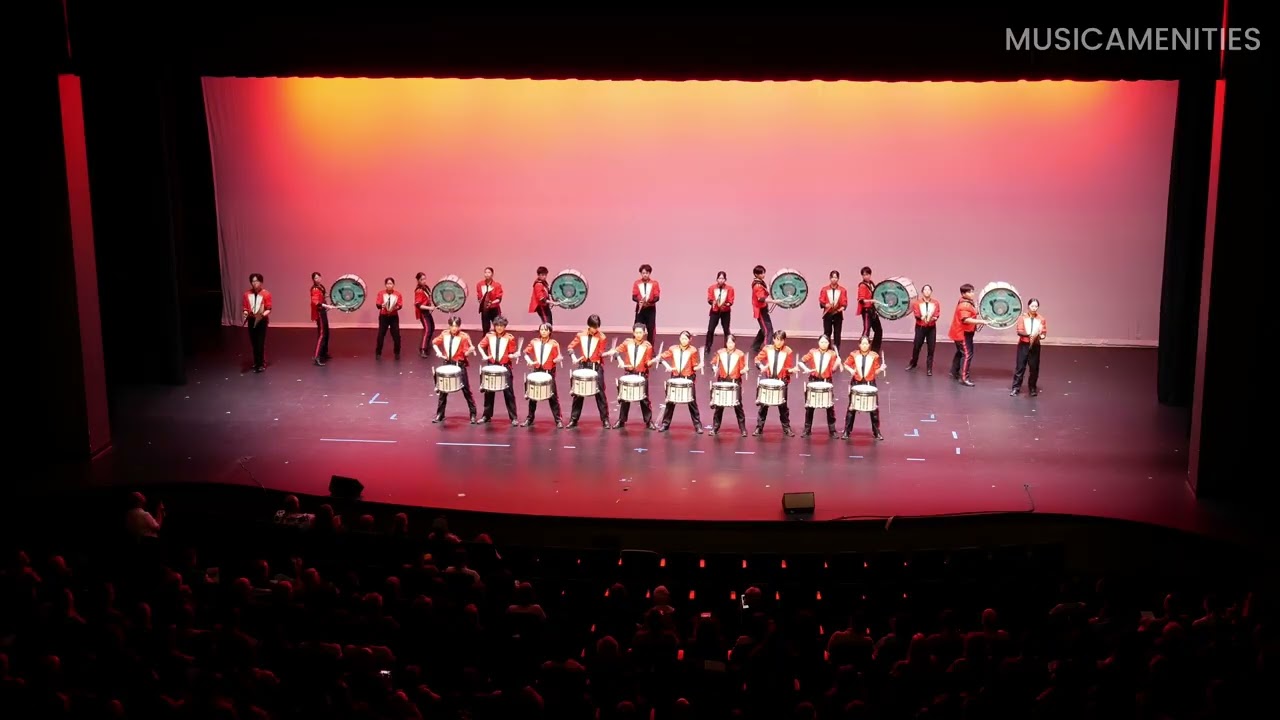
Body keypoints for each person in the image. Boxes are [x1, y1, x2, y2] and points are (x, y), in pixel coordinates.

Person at [606, 324, 656, 430]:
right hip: (629, 374)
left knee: (644, 399)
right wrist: (618, 358)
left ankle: (648, 421)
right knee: (625, 398)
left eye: (640, 333)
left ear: (644, 333)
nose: (638, 335)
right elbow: (617, 351)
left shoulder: (648, 346)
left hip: (641, 375)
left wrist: (651, 362)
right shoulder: (627, 342)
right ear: (633, 333)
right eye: (636, 332)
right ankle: (621, 420)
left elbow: (647, 363)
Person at [566, 314, 611, 429]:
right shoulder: (581, 335)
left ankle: (605, 419)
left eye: (596, 327)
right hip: (583, 365)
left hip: (596, 367)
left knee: (600, 393)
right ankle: (573, 419)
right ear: (589, 326)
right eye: (593, 327)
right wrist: (573, 358)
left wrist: (608, 353)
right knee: (578, 393)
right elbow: (570, 347)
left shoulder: (602, 337)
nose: (595, 329)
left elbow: (601, 353)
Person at [431, 317, 478, 424]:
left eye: (456, 326)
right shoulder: (444, 334)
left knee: (466, 390)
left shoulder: (464, 337)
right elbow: (434, 343)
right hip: (447, 363)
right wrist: (438, 352)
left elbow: (465, 354)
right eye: (452, 326)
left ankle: (473, 413)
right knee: (443, 390)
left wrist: (470, 351)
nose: (454, 328)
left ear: (459, 326)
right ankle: (440, 414)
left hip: (459, 365)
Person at [656, 331, 704, 434]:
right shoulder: (673, 349)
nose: (683, 340)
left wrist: (699, 367)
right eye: (682, 338)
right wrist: (667, 366)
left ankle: (697, 425)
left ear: (689, 339)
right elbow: (660, 357)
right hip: (675, 377)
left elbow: (694, 366)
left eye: (686, 339)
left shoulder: (693, 350)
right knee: (670, 401)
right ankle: (665, 424)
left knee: (692, 402)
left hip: (688, 378)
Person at [478, 315, 519, 425]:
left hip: (504, 367)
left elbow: (511, 354)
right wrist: (484, 355)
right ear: (494, 326)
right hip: (491, 366)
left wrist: (514, 356)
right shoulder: (489, 336)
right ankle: (486, 416)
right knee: (489, 392)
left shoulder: (510, 338)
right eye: (497, 326)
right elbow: (480, 345)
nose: (499, 328)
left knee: (509, 393)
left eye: (501, 326)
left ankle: (513, 417)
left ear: (505, 327)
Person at [754, 330, 797, 437]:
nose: (779, 342)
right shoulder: (767, 349)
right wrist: (761, 367)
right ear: (773, 339)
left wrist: (790, 371)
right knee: (764, 405)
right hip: (769, 379)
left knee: (783, 406)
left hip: (781, 381)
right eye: (777, 339)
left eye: (781, 340)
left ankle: (786, 428)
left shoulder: (788, 351)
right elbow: (757, 359)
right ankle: (759, 428)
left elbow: (787, 367)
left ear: (784, 341)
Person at [842, 335, 885, 440]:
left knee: (874, 409)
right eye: (863, 343)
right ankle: (847, 431)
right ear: (859, 344)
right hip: (856, 383)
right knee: (852, 407)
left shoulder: (874, 356)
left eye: (866, 343)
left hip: (870, 383)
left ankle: (876, 432)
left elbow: (875, 372)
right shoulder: (854, 354)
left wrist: (881, 369)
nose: (865, 345)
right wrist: (851, 370)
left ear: (869, 345)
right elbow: (846, 364)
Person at [522, 322, 563, 428]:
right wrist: (530, 361)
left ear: (550, 331)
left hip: (548, 373)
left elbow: (558, 356)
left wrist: (558, 359)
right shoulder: (534, 342)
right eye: (541, 330)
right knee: (532, 396)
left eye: (545, 330)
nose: (543, 332)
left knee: (553, 396)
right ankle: (529, 418)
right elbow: (526, 353)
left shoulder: (554, 344)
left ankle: (558, 419)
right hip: (536, 371)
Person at [800, 335, 840, 438]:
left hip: (827, 381)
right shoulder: (813, 352)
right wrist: (807, 369)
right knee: (810, 406)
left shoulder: (832, 354)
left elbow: (833, 370)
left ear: (828, 343)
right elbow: (801, 361)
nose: (823, 344)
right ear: (818, 343)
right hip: (814, 381)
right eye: (822, 342)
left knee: (829, 407)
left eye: (826, 342)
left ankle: (832, 430)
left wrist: (837, 364)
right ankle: (807, 429)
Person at [710, 334, 749, 437]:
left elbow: (742, 369)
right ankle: (715, 428)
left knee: (738, 406)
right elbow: (714, 363)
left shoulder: (740, 354)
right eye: (728, 342)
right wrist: (714, 367)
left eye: (732, 342)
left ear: (734, 343)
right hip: (722, 381)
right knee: (719, 406)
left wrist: (744, 370)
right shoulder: (720, 352)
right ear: (726, 343)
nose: (730, 344)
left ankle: (743, 429)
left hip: (734, 382)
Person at [948, 283, 987, 386]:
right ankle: (964, 378)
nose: (972, 293)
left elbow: (971, 313)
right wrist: (982, 322)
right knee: (967, 354)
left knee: (960, 353)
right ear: (963, 293)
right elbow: (966, 319)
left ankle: (954, 371)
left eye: (972, 291)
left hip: (961, 333)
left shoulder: (967, 302)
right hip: (963, 334)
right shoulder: (964, 304)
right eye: (970, 292)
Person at [1011, 298, 1047, 397]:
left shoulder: (1041, 319)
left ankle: (1032, 388)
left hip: (1035, 345)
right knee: (1020, 367)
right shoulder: (1022, 317)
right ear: (1028, 306)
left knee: (1034, 368)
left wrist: (1040, 335)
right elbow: (1019, 331)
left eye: (1036, 306)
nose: (1034, 308)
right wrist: (1029, 335)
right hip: (1024, 345)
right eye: (1032, 306)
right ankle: (1015, 388)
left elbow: (1043, 332)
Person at [905, 283, 940, 375]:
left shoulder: (935, 303)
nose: (927, 291)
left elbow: (937, 314)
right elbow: (917, 315)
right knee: (917, 346)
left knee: (931, 348)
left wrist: (933, 318)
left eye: (929, 290)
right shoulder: (917, 303)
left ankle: (929, 368)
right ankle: (913, 363)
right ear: (922, 292)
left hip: (931, 328)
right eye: (925, 290)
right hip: (920, 327)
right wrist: (923, 317)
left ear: (931, 292)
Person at [242, 273, 271, 373]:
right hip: (251, 320)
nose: (254, 283)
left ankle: (261, 364)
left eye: (256, 281)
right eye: (253, 281)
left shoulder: (266, 294)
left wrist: (262, 315)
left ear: (261, 282)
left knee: (260, 343)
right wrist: (245, 313)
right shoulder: (247, 294)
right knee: (254, 343)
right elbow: (245, 308)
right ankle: (256, 362)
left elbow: (269, 309)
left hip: (261, 321)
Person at [704, 271, 733, 358]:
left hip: (725, 312)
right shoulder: (711, 288)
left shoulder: (730, 288)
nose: (721, 280)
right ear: (717, 279)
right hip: (715, 311)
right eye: (719, 278)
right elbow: (709, 298)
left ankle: (728, 347)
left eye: (723, 278)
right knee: (710, 329)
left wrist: (727, 304)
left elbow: (731, 300)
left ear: (725, 279)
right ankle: (708, 346)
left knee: (726, 330)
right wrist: (712, 302)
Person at [819, 271, 849, 352]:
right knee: (827, 333)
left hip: (837, 314)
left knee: (837, 334)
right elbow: (821, 302)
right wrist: (826, 305)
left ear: (838, 278)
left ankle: (836, 351)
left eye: (836, 277)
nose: (834, 279)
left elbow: (844, 303)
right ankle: (826, 351)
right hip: (827, 314)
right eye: (832, 277)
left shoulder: (842, 290)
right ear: (830, 278)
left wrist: (841, 308)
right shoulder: (824, 289)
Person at [749, 265, 775, 356]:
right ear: (756, 274)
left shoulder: (760, 283)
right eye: (761, 273)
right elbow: (761, 299)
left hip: (762, 308)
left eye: (764, 272)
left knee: (764, 328)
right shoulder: (757, 285)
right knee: (768, 330)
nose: (763, 274)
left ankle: (755, 346)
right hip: (760, 310)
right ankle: (767, 349)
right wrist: (775, 301)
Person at [375, 277, 403, 360]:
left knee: (396, 335)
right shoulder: (381, 293)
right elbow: (377, 305)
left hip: (393, 316)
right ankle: (378, 353)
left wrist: (395, 307)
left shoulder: (398, 294)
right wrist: (382, 305)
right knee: (381, 335)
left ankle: (397, 352)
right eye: (387, 284)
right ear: (385, 285)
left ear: (393, 285)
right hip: (383, 316)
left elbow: (400, 305)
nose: (389, 285)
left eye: (391, 283)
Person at [309, 272, 334, 366]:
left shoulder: (321, 287)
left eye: (318, 277)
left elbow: (323, 297)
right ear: (313, 280)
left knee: (327, 332)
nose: (318, 279)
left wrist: (332, 298)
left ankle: (324, 353)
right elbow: (317, 303)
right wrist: (327, 305)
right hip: (319, 312)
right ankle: (317, 357)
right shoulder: (315, 289)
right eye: (315, 278)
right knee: (322, 334)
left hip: (323, 311)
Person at [856, 266, 883, 353]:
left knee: (878, 330)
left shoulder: (871, 283)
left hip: (873, 310)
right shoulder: (862, 286)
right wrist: (872, 301)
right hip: (866, 311)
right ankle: (862, 350)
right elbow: (861, 299)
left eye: (867, 274)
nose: (865, 276)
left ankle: (875, 350)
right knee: (866, 330)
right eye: (864, 275)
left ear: (870, 275)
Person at [632, 264, 660, 342]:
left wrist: (649, 302)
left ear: (649, 273)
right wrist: (639, 301)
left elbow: (657, 297)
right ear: (641, 273)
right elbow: (633, 296)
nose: (645, 275)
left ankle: (650, 348)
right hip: (640, 308)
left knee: (651, 329)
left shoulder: (655, 283)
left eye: (647, 273)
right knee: (637, 327)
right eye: (643, 273)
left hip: (650, 309)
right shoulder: (636, 283)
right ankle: (635, 345)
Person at [414, 272, 436, 359]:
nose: (424, 281)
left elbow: (429, 298)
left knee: (432, 327)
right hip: (423, 312)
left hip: (427, 311)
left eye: (424, 279)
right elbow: (418, 305)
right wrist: (429, 308)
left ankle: (427, 344)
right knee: (427, 330)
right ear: (418, 280)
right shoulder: (419, 291)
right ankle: (423, 349)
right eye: (422, 279)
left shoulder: (426, 288)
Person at [476, 267, 503, 334]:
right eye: (485, 272)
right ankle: (485, 341)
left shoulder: (497, 285)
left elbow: (499, 299)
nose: (487, 274)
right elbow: (479, 297)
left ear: (492, 274)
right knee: (485, 328)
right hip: (485, 309)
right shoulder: (480, 284)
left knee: (497, 327)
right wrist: (481, 301)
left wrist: (491, 303)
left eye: (489, 272)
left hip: (494, 308)